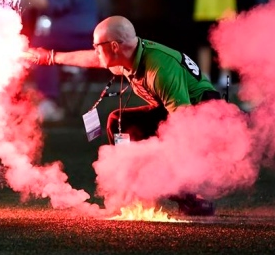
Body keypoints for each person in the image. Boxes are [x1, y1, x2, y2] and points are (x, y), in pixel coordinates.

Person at [25, 15, 221, 216]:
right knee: (118, 121)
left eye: (97, 46)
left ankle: (189, 197)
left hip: (205, 119)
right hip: (176, 113)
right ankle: (132, 187)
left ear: (115, 47)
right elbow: (93, 59)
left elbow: (185, 125)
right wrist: (50, 57)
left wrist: (162, 165)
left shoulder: (160, 70)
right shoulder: (128, 54)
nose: (95, 50)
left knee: (161, 152)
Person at [15, 0, 99, 123]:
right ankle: (25, 99)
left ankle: (48, 102)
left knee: (41, 44)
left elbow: (51, 4)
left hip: (82, 38)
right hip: (64, 36)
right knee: (29, 41)